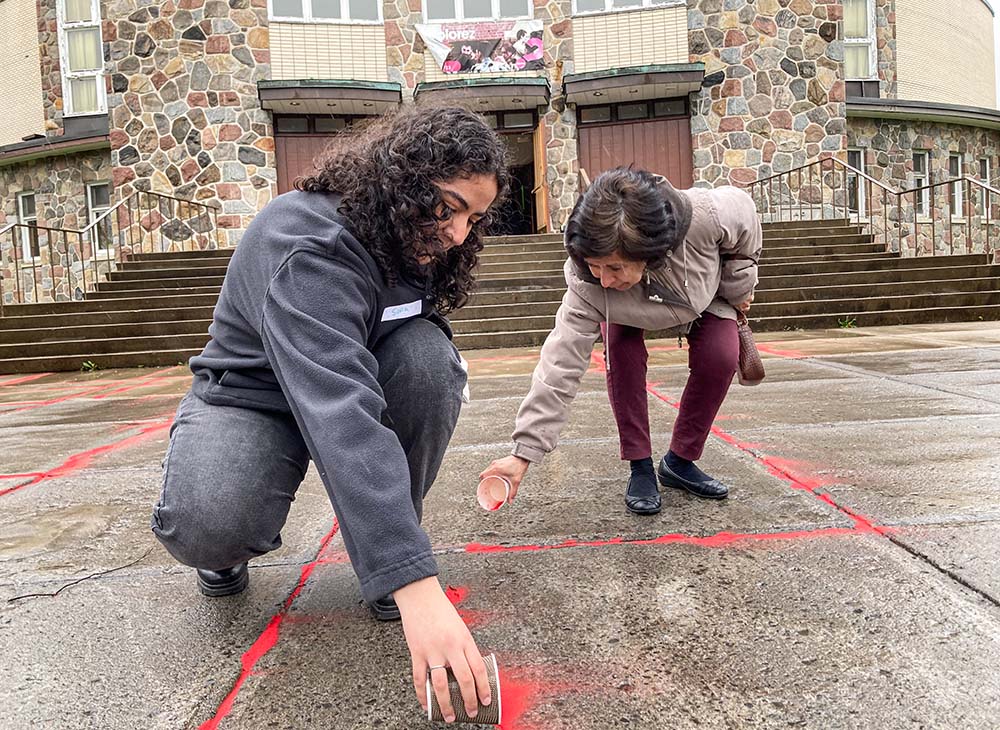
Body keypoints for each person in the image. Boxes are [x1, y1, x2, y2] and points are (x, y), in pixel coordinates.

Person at [151, 106, 510, 723]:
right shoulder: (311, 242)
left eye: (473, 218)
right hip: (252, 398)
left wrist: (400, 557)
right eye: (449, 206)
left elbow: (371, 380)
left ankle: (393, 548)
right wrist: (422, 588)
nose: (457, 233)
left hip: (352, 379)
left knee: (429, 360)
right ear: (402, 177)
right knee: (211, 523)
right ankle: (226, 550)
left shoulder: (416, 244)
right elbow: (341, 411)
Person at [480, 166, 762, 515]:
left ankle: (680, 461)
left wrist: (740, 285)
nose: (604, 278)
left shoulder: (705, 215)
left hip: (700, 290)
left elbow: (745, 214)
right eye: (595, 266)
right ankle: (639, 465)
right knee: (620, 353)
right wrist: (522, 454)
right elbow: (558, 367)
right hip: (627, 310)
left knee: (720, 356)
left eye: (614, 267)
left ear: (649, 250)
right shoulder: (590, 287)